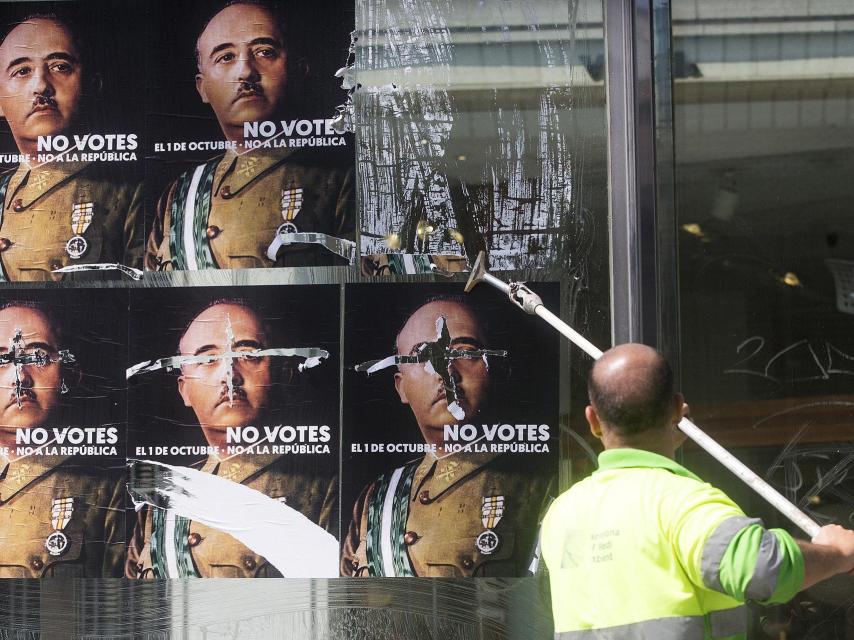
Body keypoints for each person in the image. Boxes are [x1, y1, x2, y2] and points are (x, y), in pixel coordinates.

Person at [541, 343, 854, 639]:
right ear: (678, 408)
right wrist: (838, 552)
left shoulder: (561, 515)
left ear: (593, 420)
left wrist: (660, 450)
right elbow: (763, 568)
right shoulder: (684, 503)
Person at [342, 297, 555, 577]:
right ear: (401, 387)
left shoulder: (539, 484)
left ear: (495, 367)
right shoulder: (375, 499)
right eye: (423, 356)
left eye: (464, 352)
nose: (445, 369)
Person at [126, 299, 337, 578]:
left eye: (249, 355)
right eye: (206, 359)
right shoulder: (160, 498)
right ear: (184, 390)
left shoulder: (325, 487)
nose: (229, 375)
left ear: (282, 374)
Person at [145, 0, 354, 271]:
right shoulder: (178, 195)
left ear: (298, 70)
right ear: (203, 87)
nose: (245, 72)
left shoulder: (341, 179)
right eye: (226, 57)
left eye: (264, 52)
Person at [0, 14, 142, 281]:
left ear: (91, 85)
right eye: (22, 71)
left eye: (60, 67)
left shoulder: (128, 192)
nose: (41, 85)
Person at [0, 302, 124, 577]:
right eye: (1, 361)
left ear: (69, 374)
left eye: (38, 358)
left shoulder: (106, 488)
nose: (20, 377)